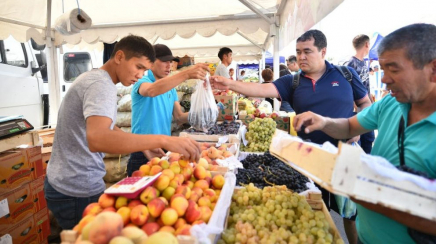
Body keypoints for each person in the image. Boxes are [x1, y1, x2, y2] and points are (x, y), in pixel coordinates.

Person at [211, 29, 371, 244]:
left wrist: (356, 129)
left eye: (307, 51)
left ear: (323, 51)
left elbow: (366, 105)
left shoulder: (345, 75)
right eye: (298, 52)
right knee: (316, 209)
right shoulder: (292, 82)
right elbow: (260, 89)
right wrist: (229, 84)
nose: (301, 57)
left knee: (351, 215)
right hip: (310, 160)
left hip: (346, 156)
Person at [292, 23, 436, 244]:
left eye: (394, 69)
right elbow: (350, 126)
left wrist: (369, 194)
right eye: (383, 68)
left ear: (433, 69)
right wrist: (324, 122)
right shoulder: (390, 103)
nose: (385, 79)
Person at [44, 36, 202, 230]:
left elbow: (107, 127)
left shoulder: (100, 81)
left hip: (74, 182)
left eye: (144, 70)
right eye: (138, 67)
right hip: (75, 187)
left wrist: (146, 144)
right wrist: (162, 139)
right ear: (119, 56)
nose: (140, 74)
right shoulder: (100, 85)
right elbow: (98, 138)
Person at [128, 44, 210, 176]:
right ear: (151, 63)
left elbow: (179, 117)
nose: (169, 65)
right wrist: (187, 74)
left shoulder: (171, 87)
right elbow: (151, 90)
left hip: (163, 149)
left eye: (170, 62)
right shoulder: (142, 81)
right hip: (143, 150)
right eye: (164, 61)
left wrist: (202, 114)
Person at [344, 34, 375, 154]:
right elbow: (348, 91)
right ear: (367, 44)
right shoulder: (351, 63)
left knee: (369, 140)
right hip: (358, 113)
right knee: (359, 145)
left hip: (367, 110)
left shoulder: (363, 63)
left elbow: (365, 88)